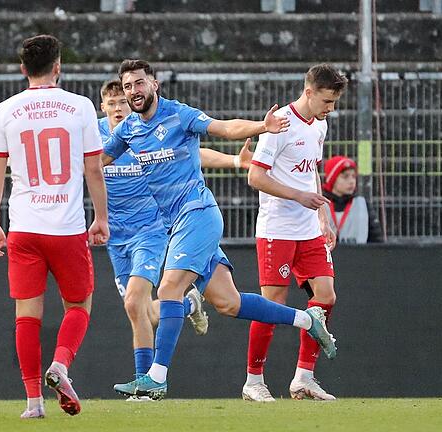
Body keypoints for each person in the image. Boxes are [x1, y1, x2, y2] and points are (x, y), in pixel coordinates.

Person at [103, 59, 337, 400]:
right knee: (229, 303)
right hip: (178, 225)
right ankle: (307, 320)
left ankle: (156, 377)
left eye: (139, 84)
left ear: (154, 84)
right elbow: (95, 161)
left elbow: (224, 128)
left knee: (168, 290)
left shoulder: (178, 114)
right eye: (128, 87)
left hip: (197, 214)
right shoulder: (128, 131)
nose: (134, 91)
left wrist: (261, 126)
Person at [98, 79, 256, 399]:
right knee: (142, 311)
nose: (118, 108)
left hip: (152, 230)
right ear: (102, 107)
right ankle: (186, 305)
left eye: (123, 102)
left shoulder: (141, 132)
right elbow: (72, 165)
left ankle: (148, 381)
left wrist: (234, 161)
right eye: (111, 103)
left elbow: (193, 152)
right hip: (117, 238)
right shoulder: (100, 139)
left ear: (132, 105)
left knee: (134, 303)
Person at [0, 35, 109, 419]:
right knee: (79, 305)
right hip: (67, 227)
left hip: (24, 228)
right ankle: (61, 365)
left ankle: (33, 403)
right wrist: (100, 218)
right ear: (58, 66)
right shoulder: (80, 107)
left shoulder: (4, 110)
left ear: (23, 69)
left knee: (27, 314)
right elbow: (93, 168)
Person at [242, 63, 347, 402]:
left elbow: (311, 171)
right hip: (277, 228)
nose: (330, 109)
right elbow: (255, 177)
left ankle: (303, 378)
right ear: (309, 92)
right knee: (273, 304)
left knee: (326, 296)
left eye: (333, 103)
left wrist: (322, 215)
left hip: (308, 229)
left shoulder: (320, 125)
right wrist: (299, 196)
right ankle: (253, 381)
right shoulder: (279, 126)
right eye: (327, 101)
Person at [321, 155, 382, 244]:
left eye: (353, 176)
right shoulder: (319, 205)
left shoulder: (363, 205)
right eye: (345, 177)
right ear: (332, 179)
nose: (351, 181)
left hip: (358, 256)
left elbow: (377, 240)